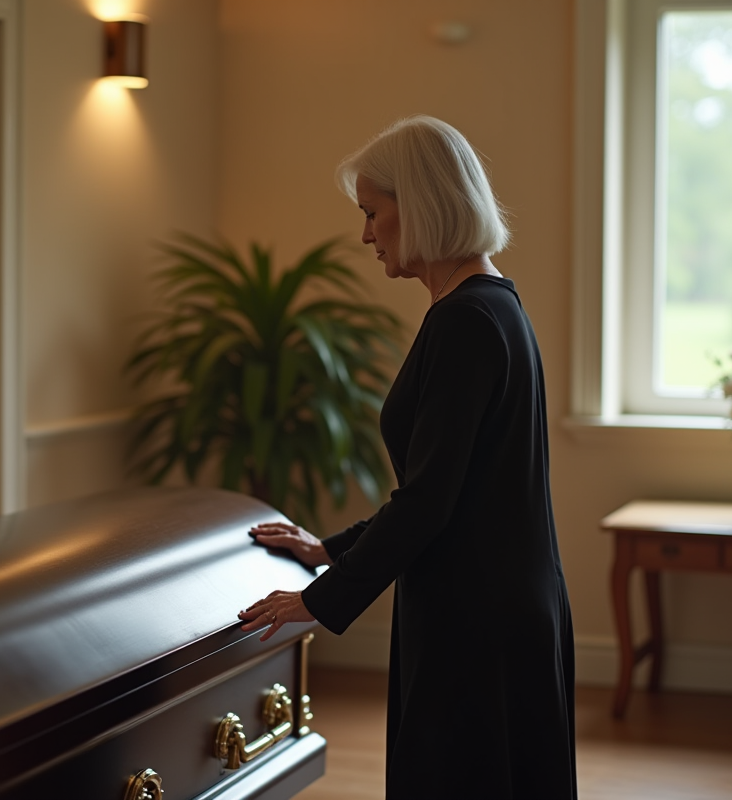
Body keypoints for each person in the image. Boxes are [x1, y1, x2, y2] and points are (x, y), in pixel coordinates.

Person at [238, 115, 576, 799]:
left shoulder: (464, 321)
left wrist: (317, 599)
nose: (365, 234)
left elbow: (429, 500)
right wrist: (329, 548)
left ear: (418, 206)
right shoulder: (493, 306)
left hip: (475, 622)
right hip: (498, 604)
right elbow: (449, 487)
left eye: (372, 213)